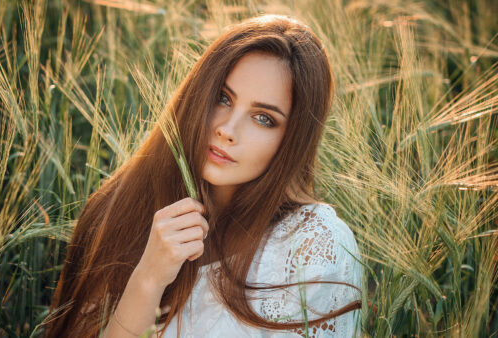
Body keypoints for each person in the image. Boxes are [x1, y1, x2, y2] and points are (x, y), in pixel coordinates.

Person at [46, 14, 363, 337]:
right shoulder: (122, 206)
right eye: (222, 98)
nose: (226, 129)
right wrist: (148, 278)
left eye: (263, 118)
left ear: (293, 139)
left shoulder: (312, 246)